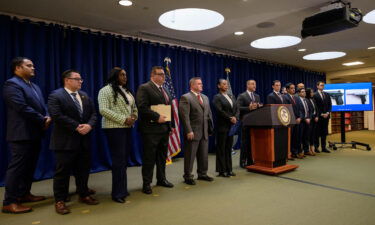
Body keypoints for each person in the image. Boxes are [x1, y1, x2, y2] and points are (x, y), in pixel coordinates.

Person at [2, 57, 51, 214]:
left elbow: (43, 105)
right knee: (17, 168)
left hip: (35, 132)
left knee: (29, 167)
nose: (33, 68)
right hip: (21, 133)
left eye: (33, 66)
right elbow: (21, 107)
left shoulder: (34, 86)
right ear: (17, 68)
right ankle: (9, 202)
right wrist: (42, 119)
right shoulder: (11, 84)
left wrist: (48, 115)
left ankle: (24, 194)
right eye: (29, 66)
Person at [48, 70, 98, 215]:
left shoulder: (84, 95)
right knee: (62, 173)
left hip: (84, 140)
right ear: (67, 80)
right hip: (65, 141)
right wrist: (76, 127)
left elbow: (94, 114)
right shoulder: (56, 95)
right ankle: (60, 200)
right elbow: (56, 115)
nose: (80, 81)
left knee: (83, 170)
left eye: (81, 79)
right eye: (77, 79)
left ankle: (83, 194)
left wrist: (89, 125)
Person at [98, 67, 138, 203]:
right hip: (114, 128)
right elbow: (103, 110)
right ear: (115, 76)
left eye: (126, 75)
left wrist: (133, 116)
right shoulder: (105, 90)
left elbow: (134, 107)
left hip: (127, 128)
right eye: (122, 75)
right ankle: (117, 193)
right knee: (118, 161)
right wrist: (123, 119)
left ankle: (123, 189)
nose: (125, 77)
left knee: (124, 160)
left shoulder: (127, 91)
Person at [136, 66, 174, 194]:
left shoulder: (166, 89)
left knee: (162, 157)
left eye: (164, 75)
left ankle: (161, 179)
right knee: (149, 158)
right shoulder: (145, 88)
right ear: (153, 75)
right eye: (160, 74)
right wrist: (157, 117)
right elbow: (142, 107)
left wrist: (170, 126)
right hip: (150, 130)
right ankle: (146, 184)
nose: (163, 77)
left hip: (164, 129)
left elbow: (169, 109)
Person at [179, 77, 214, 185]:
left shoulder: (205, 97)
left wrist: (210, 128)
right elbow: (185, 117)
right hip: (193, 132)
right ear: (192, 85)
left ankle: (202, 174)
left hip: (204, 131)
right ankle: (188, 176)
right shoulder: (186, 97)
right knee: (190, 156)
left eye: (201, 83)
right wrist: (188, 130)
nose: (201, 85)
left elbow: (209, 114)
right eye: (199, 84)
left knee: (203, 155)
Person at [212, 79, 239, 177]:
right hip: (222, 126)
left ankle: (229, 169)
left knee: (228, 148)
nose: (226, 85)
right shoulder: (217, 97)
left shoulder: (231, 96)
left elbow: (237, 108)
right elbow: (219, 111)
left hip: (231, 127)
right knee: (221, 148)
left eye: (227, 84)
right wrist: (230, 118)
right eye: (223, 84)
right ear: (219, 86)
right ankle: (221, 171)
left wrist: (235, 117)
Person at [237, 80, 261, 167]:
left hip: (255, 122)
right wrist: (248, 108)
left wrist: (259, 107)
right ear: (247, 85)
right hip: (245, 122)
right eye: (252, 84)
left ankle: (251, 161)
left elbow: (257, 108)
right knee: (245, 142)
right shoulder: (242, 96)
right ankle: (243, 161)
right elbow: (238, 108)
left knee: (253, 143)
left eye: (255, 84)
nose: (255, 85)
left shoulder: (257, 96)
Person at [313, 81, 332, 153]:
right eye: (321, 85)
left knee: (324, 132)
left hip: (326, 116)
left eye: (323, 85)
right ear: (317, 86)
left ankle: (324, 147)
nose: (322, 86)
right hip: (319, 117)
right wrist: (321, 114)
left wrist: (327, 113)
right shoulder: (314, 95)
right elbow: (315, 106)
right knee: (317, 133)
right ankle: (316, 147)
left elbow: (330, 105)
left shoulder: (327, 94)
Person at [283, 83, 299, 159]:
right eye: (292, 88)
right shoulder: (285, 97)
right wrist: (294, 118)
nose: (293, 89)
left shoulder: (295, 97)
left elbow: (298, 109)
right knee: (290, 138)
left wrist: (298, 117)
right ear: (287, 89)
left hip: (296, 120)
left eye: (294, 88)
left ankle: (295, 152)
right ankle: (288, 153)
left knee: (295, 137)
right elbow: (287, 110)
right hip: (290, 121)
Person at [295, 88, 311, 158]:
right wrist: (304, 119)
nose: (304, 93)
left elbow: (310, 110)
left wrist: (309, 118)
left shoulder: (307, 100)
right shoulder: (297, 100)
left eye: (304, 92)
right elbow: (299, 111)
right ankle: (299, 151)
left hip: (308, 121)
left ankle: (306, 150)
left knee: (306, 137)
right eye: (302, 92)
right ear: (299, 93)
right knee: (299, 137)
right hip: (301, 121)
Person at [306, 88, 319, 155]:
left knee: (313, 135)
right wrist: (312, 117)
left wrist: (317, 116)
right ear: (308, 93)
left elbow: (316, 109)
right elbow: (308, 111)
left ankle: (312, 149)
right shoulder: (306, 100)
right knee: (309, 135)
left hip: (314, 120)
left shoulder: (313, 100)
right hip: (310, 120)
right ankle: (308, 150)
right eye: (311, 92)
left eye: (312, 92)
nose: (312, 93)